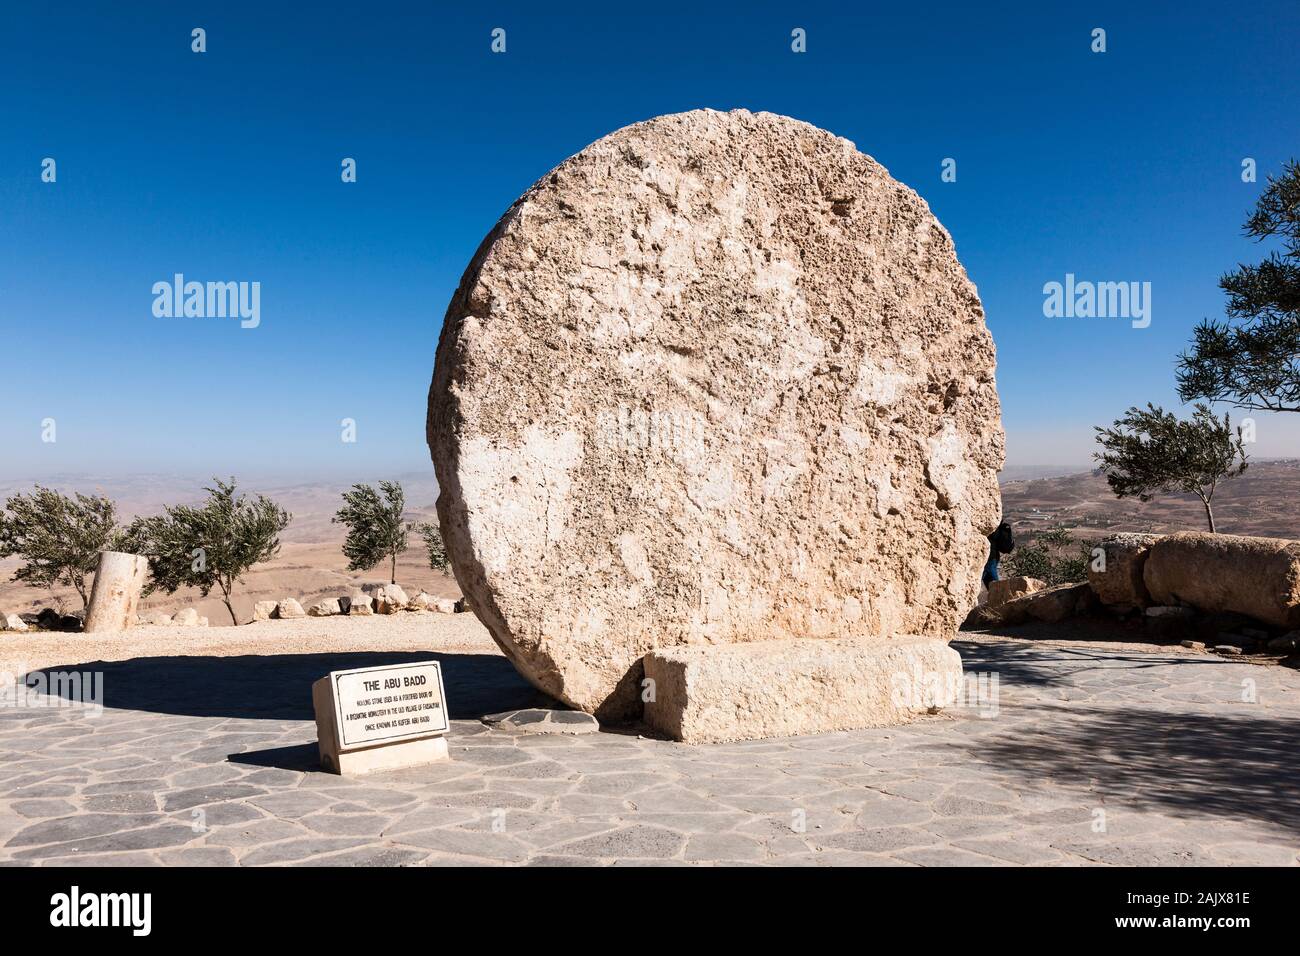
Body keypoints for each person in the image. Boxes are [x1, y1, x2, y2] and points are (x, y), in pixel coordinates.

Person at [983, 521, 1014, 587]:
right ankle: (997, 594)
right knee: (989, 580)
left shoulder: (993, 526)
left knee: (993, 581)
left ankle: (1000, 594)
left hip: (990, 557)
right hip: (991, 556)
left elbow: (994, 536)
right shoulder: (996, 524)